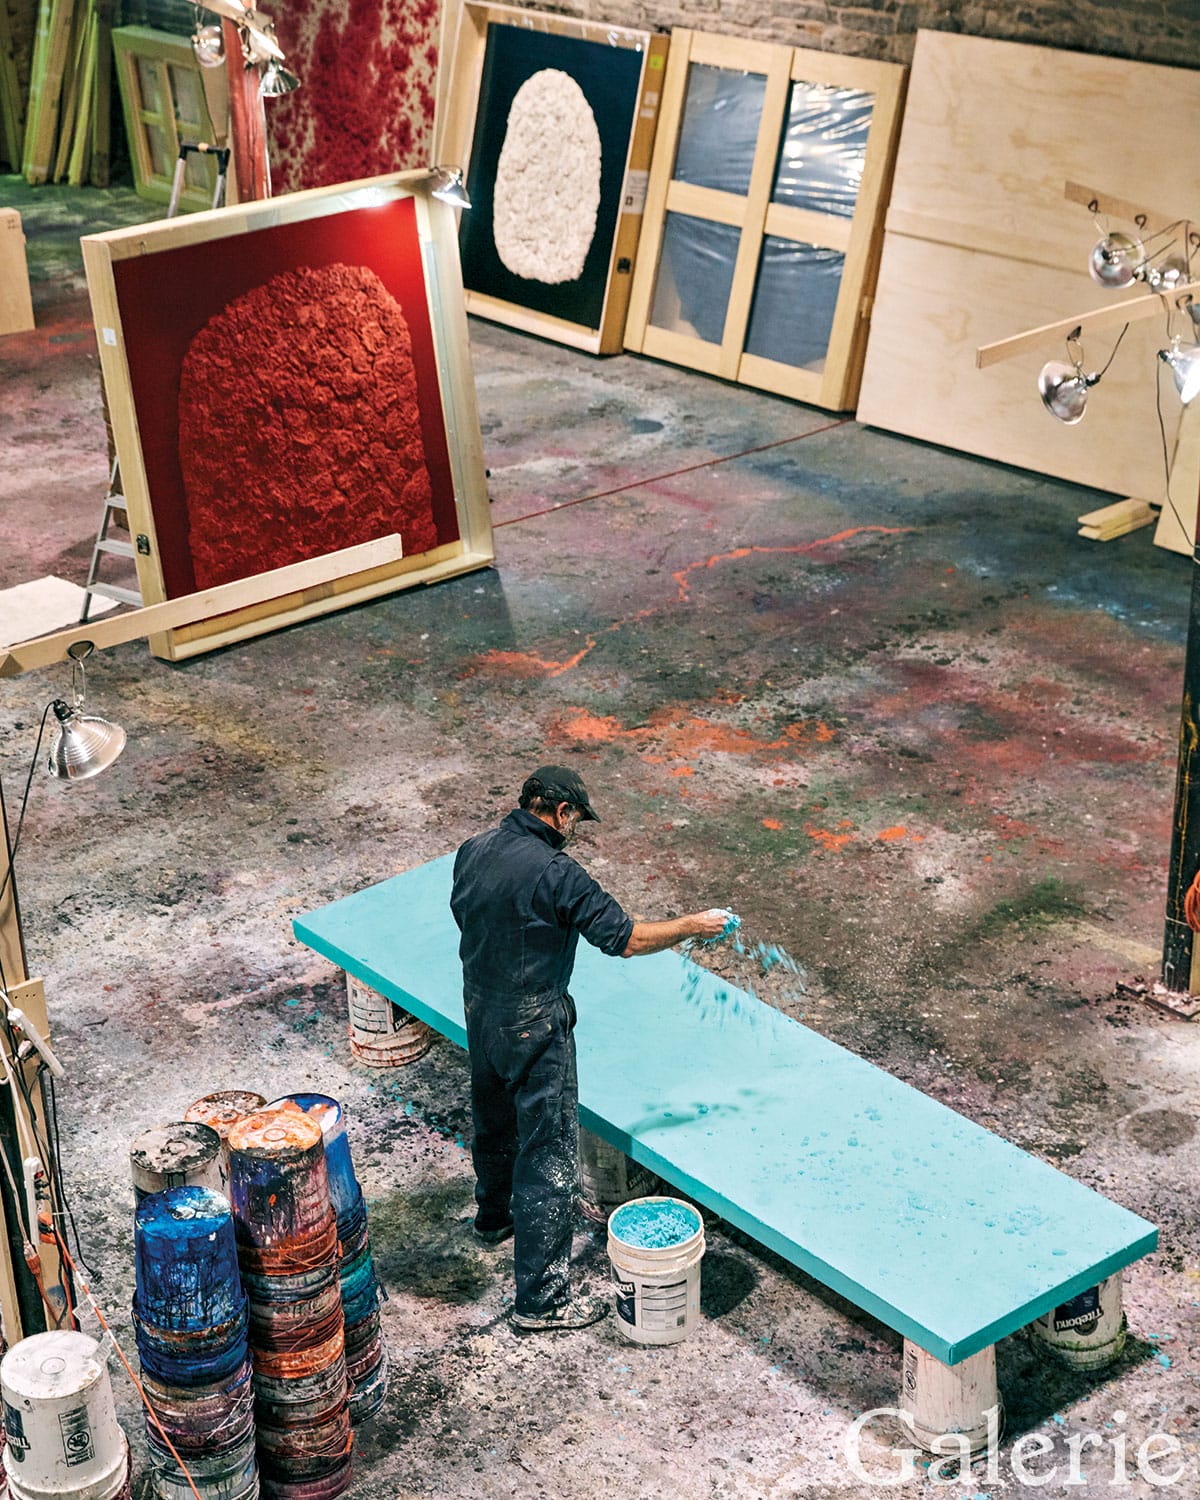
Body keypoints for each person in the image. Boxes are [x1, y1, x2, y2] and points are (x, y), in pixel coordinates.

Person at [450, 765, 728, 1333]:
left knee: (493, 1121)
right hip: (535, 1024)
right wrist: (691, 925)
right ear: (561, 812)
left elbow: (464, 914)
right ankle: (541, 1301)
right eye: (576, 818)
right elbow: (627, 939)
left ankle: (493, 1217)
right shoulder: (559, 874)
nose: (574, 829)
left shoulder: (472, 850)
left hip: (480, 1007)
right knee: (548, 1157)